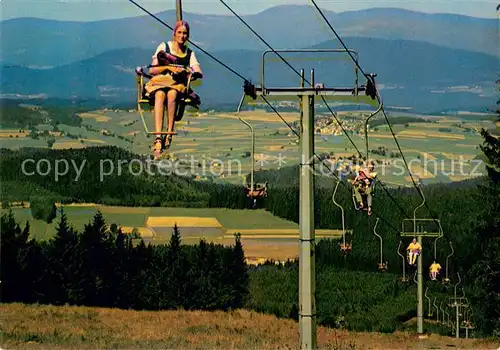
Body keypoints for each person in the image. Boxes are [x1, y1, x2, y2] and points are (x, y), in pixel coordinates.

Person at [144, 20, 203, 158]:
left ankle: (169, 131)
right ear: (174, 33)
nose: (182, 36)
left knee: (172, 94)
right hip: (160, 82)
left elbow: (197, 68)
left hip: (176, 85)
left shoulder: (189, 53)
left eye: (185, 33)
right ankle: (158, 137)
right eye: (180, 33)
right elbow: (153, 70)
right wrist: (168, 68)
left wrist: (192, 72)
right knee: (160, 95)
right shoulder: (164, 47)